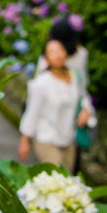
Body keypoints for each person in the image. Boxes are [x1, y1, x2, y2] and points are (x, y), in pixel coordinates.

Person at [17, 38, 94, 174]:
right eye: (52, 52)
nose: (57, 54)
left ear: (66, 53)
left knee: (67, 181)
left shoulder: (75, 77)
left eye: (60, 50)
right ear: (46, 58)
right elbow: (32, 112)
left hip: (69, 139)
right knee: (57, 177)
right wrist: (24, 141)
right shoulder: (41, 84)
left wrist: (85, 110)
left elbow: (84, 97)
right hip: (47, 139)